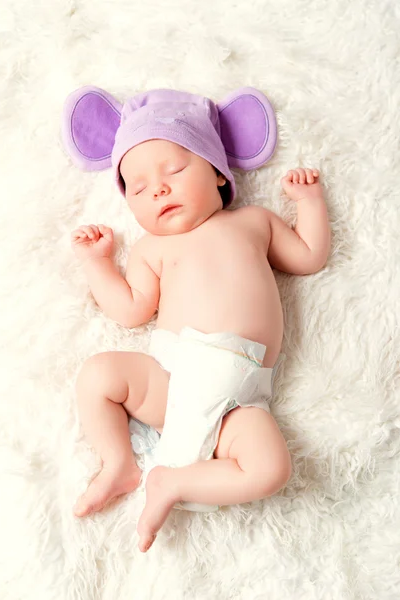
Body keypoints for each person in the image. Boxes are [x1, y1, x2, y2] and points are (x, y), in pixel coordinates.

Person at [67, 89, 331, 552]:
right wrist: (98, 264)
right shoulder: (153, 249)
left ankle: (173, 482)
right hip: (171, 378)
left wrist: (308, 203)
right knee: (97, 375)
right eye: (139, 188)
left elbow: (308, 257)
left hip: (240, 398)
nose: (159, 189)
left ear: (216, 173)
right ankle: (119, 464)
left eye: (174, 171)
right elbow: (130, 310)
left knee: (271, 469)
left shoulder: (254, 222)